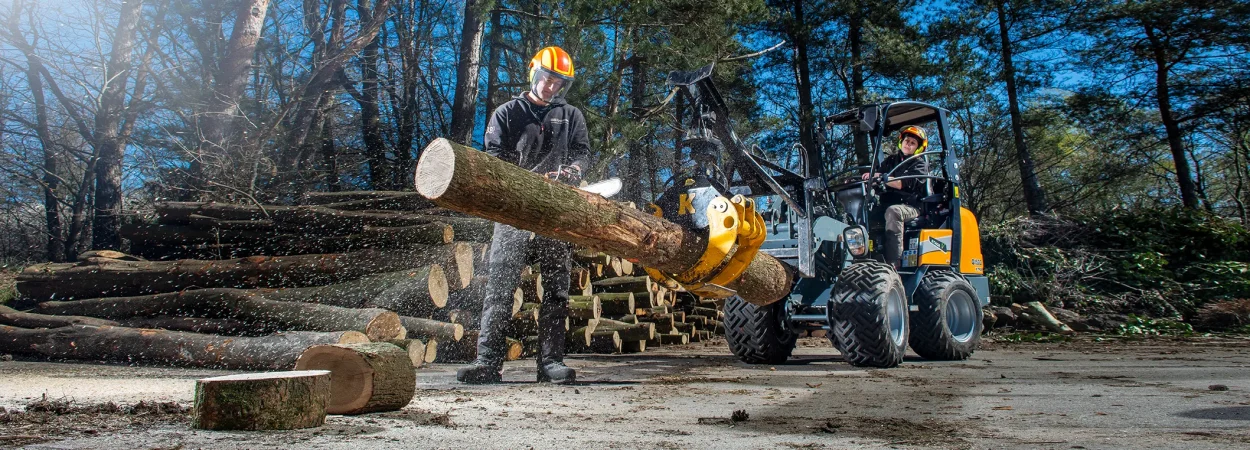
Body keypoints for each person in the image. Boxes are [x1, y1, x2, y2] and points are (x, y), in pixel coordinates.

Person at [457, 46, 590, 384]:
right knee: (500, 286)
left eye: (558, 82)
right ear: (535, 74)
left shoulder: (571, 116)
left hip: (555, 209)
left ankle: (550, 363)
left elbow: (582, 153)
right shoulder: (507, 112)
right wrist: (526, 178)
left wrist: (573, 170)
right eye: (547, 79)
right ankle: (487, 361)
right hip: (513, 207)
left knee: (557, 287)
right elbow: (496, 155)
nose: (551, 86)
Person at [863, 125, 930, 269]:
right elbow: (877, 176)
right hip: (888, 204)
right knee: (865, 213)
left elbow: (902, 184)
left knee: (894, 212)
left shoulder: (920, 165)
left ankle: (894, 262)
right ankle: (867, 257)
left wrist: (882, 177)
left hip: (911, 206)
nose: (908, 144)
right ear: (901, 141)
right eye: (907, 141)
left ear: (918, 147)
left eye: (913, 143)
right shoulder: (891, 160)